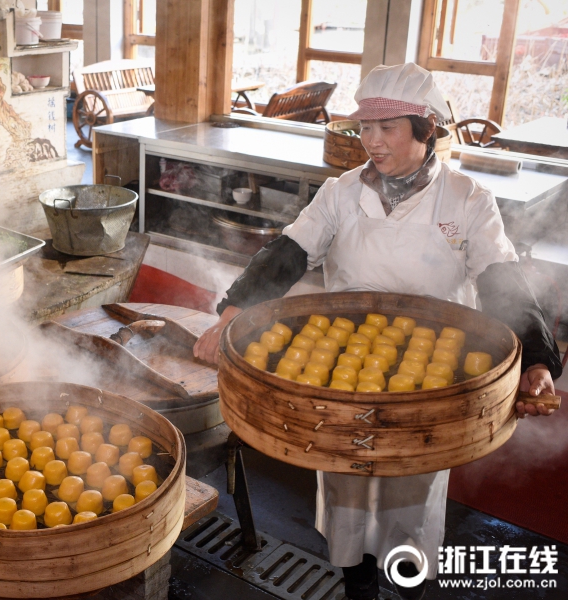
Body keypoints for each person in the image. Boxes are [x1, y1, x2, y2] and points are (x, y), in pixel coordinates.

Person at [193, 63, 562, 600]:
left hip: (431, 381)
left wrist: (535, 362)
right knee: (346, 486)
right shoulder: (342, 192)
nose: (372, 140)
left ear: (426, 127)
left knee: (410, 494)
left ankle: (407, 583)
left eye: (387, 128)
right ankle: (356, 584)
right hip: (341, 375)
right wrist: (229, 316)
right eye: (365, 128)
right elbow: (288, 252)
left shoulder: (465, 199)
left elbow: (502, 279)